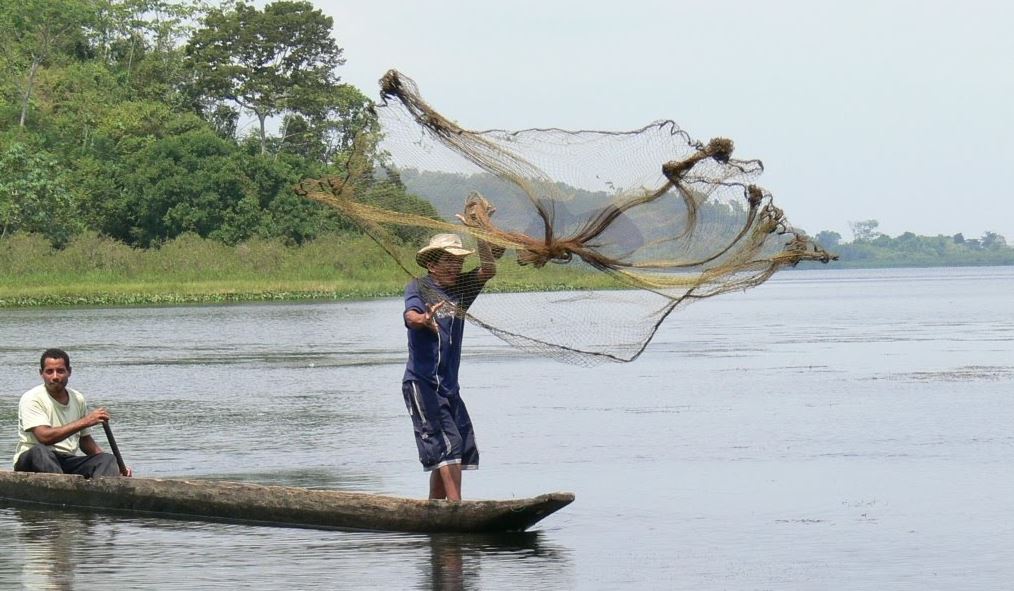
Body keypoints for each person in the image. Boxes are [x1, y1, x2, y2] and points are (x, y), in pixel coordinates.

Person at [403, 233, 497, 500]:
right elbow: (410, 315)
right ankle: (457, 509)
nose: (455, 266)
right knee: (448, 446)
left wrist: (480, 232)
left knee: (460, 444)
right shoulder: (418, 287)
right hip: (423, 384)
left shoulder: (461, 291)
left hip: (448, 387)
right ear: (432, 264)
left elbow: (489, 269)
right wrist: (424, 319)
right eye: (449, 260)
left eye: (458, 261)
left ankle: (436, 508)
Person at [12, 348, 131, 478]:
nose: (55, 377)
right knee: (40, 451)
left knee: (107, 459)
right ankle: (63, 490)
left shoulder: (77, 398)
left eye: (61, 371)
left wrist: (115, 466)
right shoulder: (32, 398)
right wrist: (86, 421)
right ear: (42, 374)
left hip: (65, 461)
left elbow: (84, 440)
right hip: (32, 460)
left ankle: (99, 495)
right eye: (49, 372)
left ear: (69, 372)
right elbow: (44, 437)